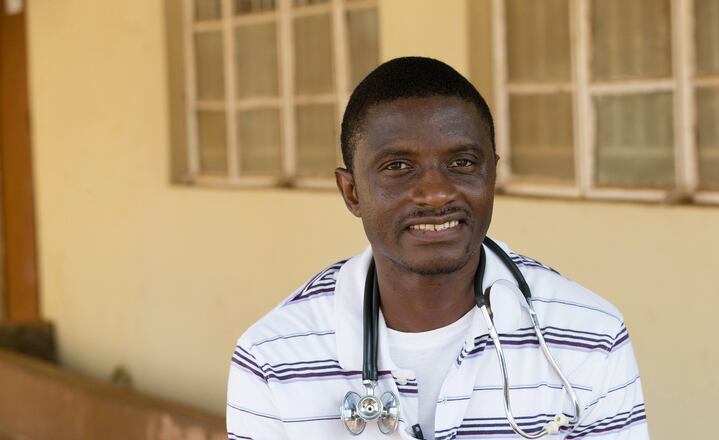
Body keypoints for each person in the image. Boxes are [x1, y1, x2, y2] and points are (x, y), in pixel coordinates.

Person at [226, 57, 648, 439]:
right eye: (398, 167)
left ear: (492, 175)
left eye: (462, 162)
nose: (435, 193)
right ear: (351, 192)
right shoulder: (273, 358)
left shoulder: (591, 336)